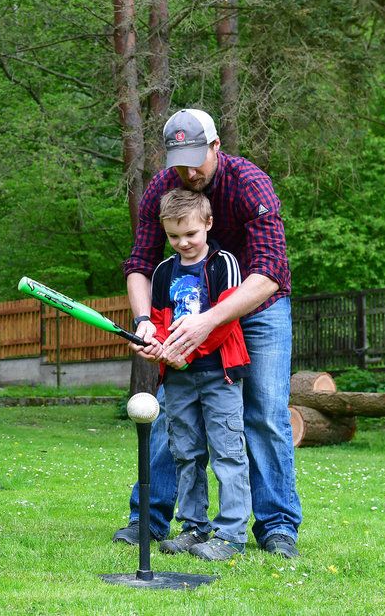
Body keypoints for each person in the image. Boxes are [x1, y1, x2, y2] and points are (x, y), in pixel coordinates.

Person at [113, 108, 301, 558]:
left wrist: (211, 319)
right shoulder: (163, 188)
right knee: (172, 413)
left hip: (257, 307)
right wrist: (144, 322)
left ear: (216, 147)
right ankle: (150, 521)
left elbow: (271, 271)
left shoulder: (249, 183)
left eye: (198, 158)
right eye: (180, 162)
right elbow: (140, 263)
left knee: (265, 414)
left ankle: (276, 526)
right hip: (187, 308)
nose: (189, 171)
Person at [143, 188, 251, 561]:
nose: (183, 242)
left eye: (190, 234)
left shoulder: (224, 263)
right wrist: (155, 345)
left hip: (218, 375)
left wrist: (185, 351)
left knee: (228, 452)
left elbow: (224, 318)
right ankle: (193, 527)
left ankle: (231, 533)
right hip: (178, 379)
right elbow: (159, 323)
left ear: (207, 224)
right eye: (174, 236)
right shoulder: (162, 272)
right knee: (186, 453)